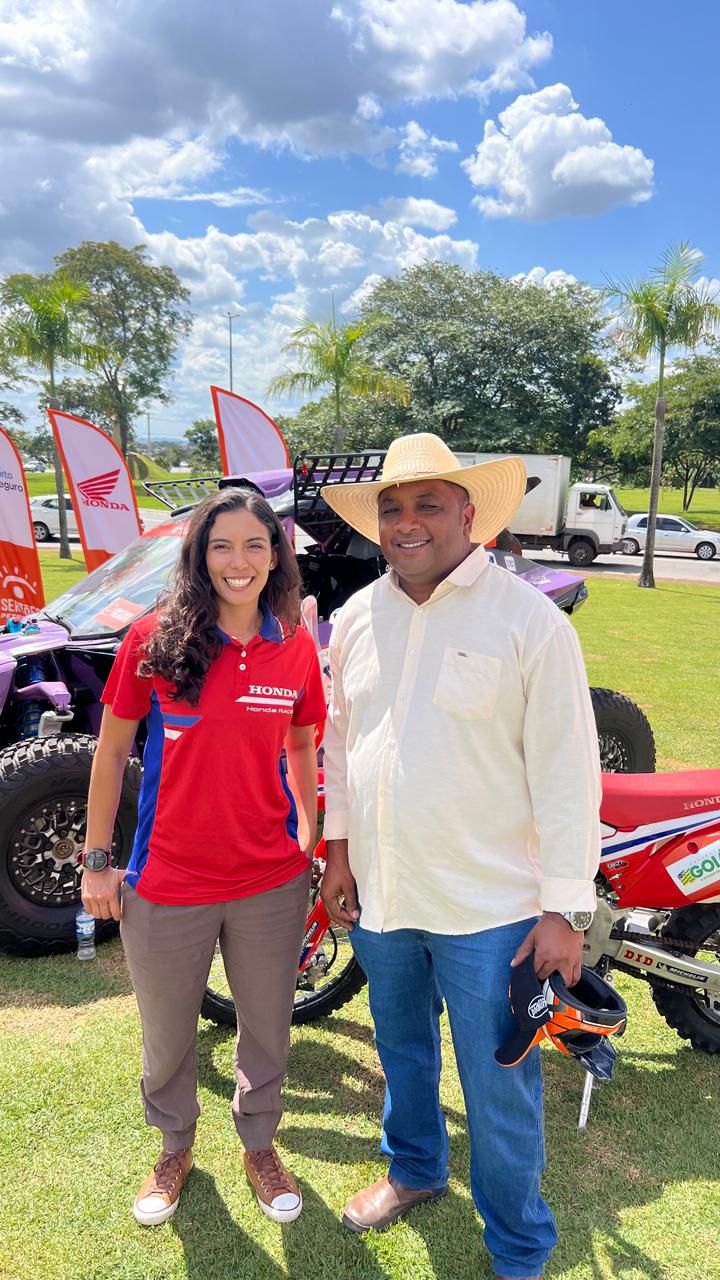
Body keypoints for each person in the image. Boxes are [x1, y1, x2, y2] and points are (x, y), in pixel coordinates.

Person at [319, 433, 601, 1280]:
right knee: (401, 1049)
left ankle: (518, 1248)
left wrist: (563, 909)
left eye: (428, 504)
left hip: (493, 911)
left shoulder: (529, 622)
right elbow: (340, 745)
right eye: (392, 508)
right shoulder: (357, 617)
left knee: (498, 1085)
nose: (407, 524)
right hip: (382, 894)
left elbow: (566, 772)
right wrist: (337, 855)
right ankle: (414, 1169)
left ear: (469, 515)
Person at [80, 488, 326, 1227]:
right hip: (167, 882)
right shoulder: (154, 638)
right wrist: (99, 859)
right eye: (222, 546)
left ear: (276, 555)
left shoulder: (294, 645)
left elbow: (303, 743)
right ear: (199, 555)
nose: (239, 561)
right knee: (167, 1033)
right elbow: (112, 749)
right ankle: (174, 1147)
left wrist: (308, 836)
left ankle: (259, 1146)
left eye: (256, 545)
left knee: (266, 1028)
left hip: (269, 883)